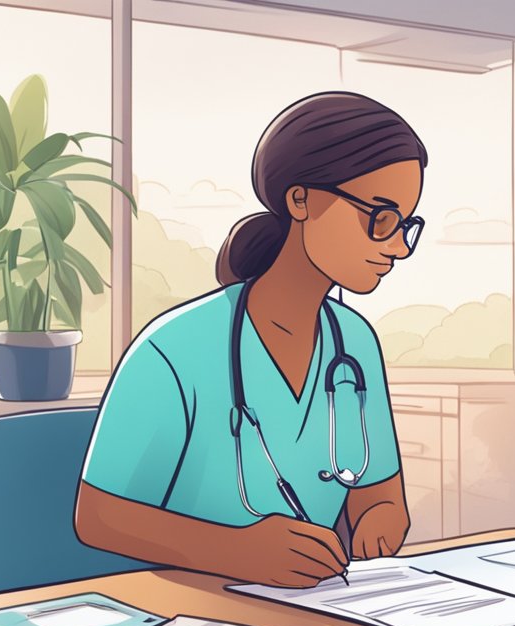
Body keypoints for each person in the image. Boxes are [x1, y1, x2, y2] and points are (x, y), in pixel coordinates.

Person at [76, 92, 425, 588]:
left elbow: (380, 497)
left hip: (318, 605)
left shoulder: (356, 343)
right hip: (194, 615)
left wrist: (379, 523)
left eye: (406, 225)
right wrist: (234, 551)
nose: (396, 247)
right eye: (380, 218)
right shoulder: (173, 349)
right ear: (301, 199)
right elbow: (99, 517)